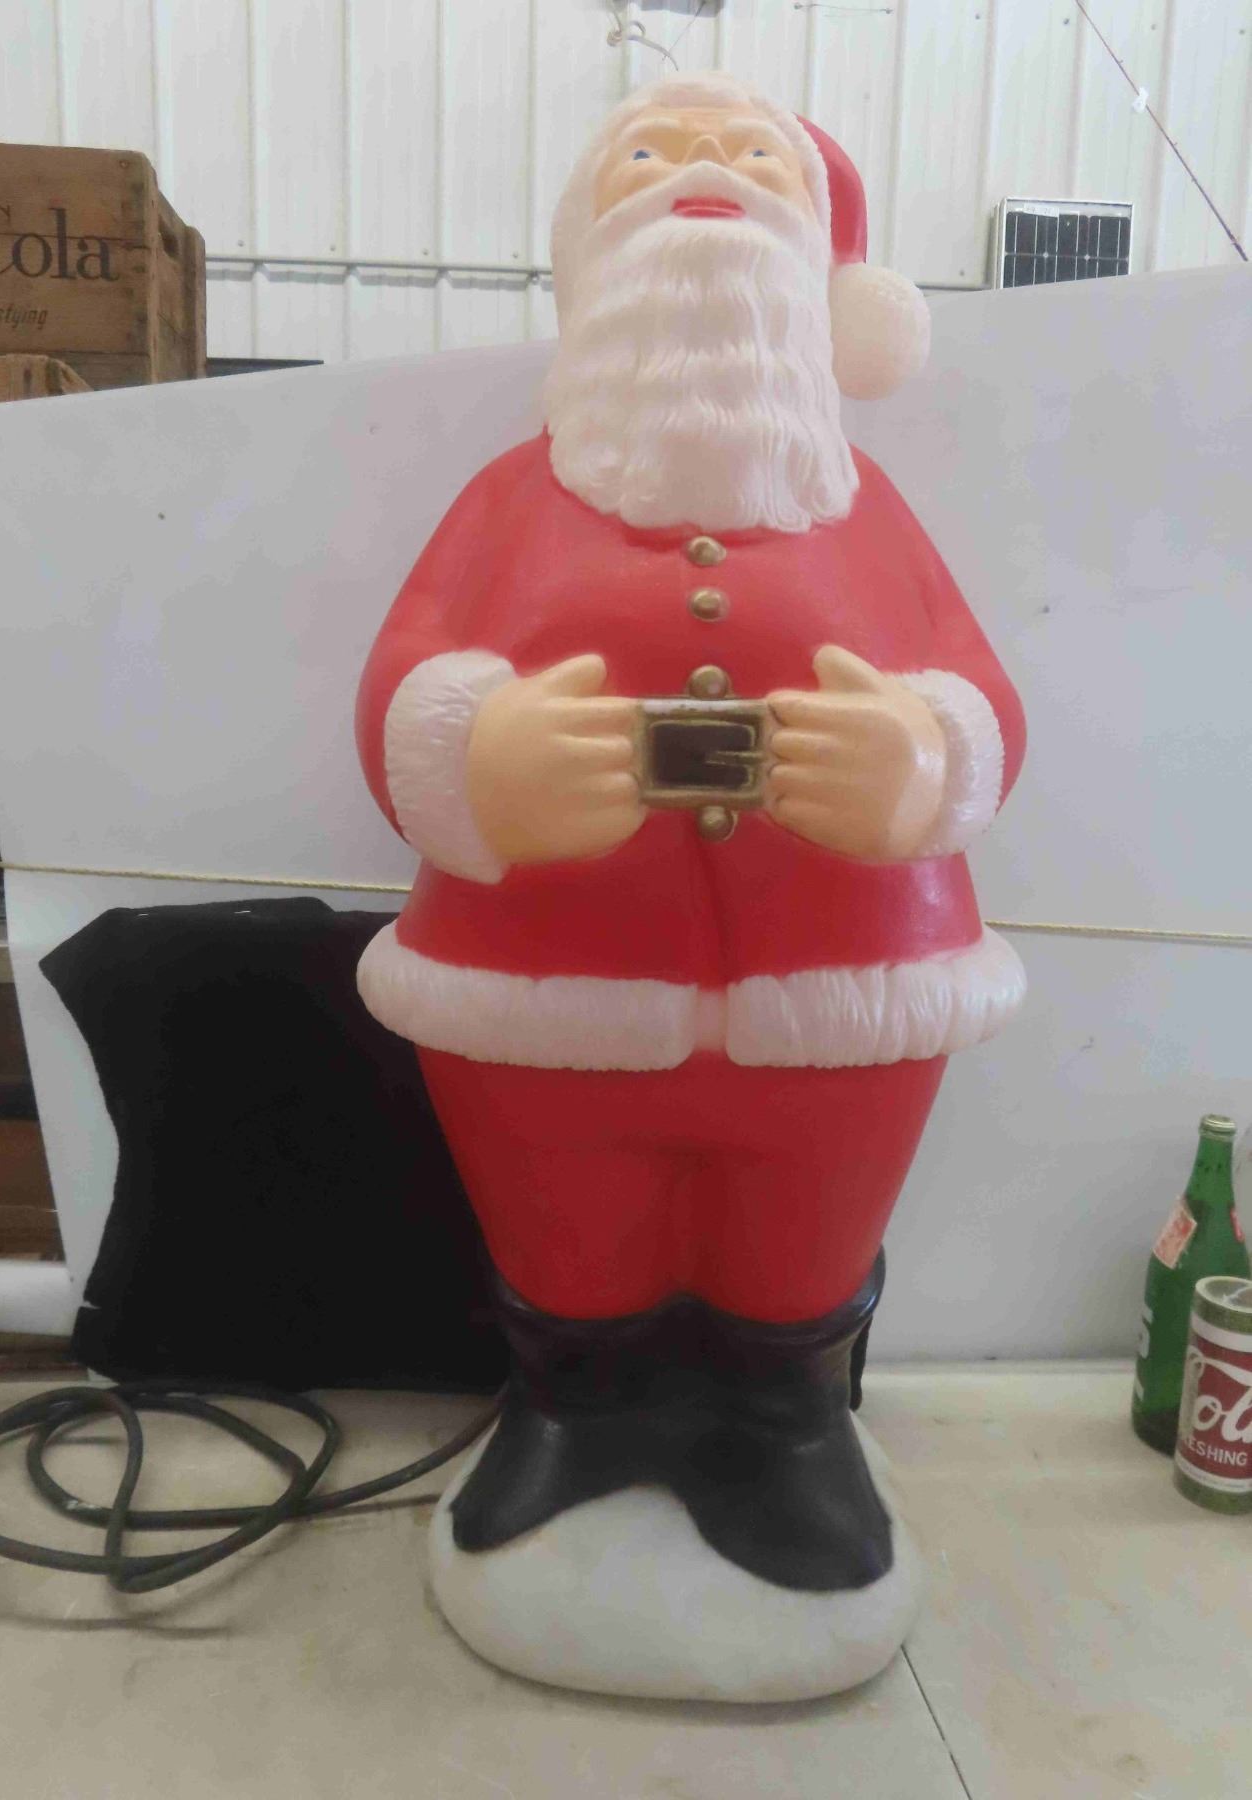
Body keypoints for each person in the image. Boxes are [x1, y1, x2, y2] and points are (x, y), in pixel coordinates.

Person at [354, 72, 1026, 1698]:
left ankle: (782, 1429)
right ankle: (574, 1412)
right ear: (587, 258)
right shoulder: (504, 501)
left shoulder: (870, 510)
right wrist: (471, 753)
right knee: (561, 1224)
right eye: (648, 157)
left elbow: (978, 687)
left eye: (749, 162)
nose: (698, 175)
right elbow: (400, 671)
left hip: (841, 989)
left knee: (799, 1238)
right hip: (545, 984)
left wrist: (921, 758)